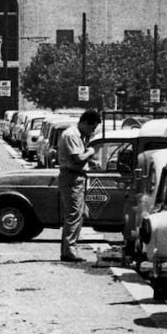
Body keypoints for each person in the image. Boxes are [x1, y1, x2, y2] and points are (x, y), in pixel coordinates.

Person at [56, 108, 102, 262]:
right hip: (71, 177)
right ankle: (69, 249)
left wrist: (91, 161)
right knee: (73, 214)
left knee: (78, 214)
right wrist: (90, 152)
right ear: (84, 123)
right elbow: (77, 158)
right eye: (92, 127)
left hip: (77, 177)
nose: (92, 131)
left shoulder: (81, 136)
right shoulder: (72, 135)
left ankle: (70, 247)